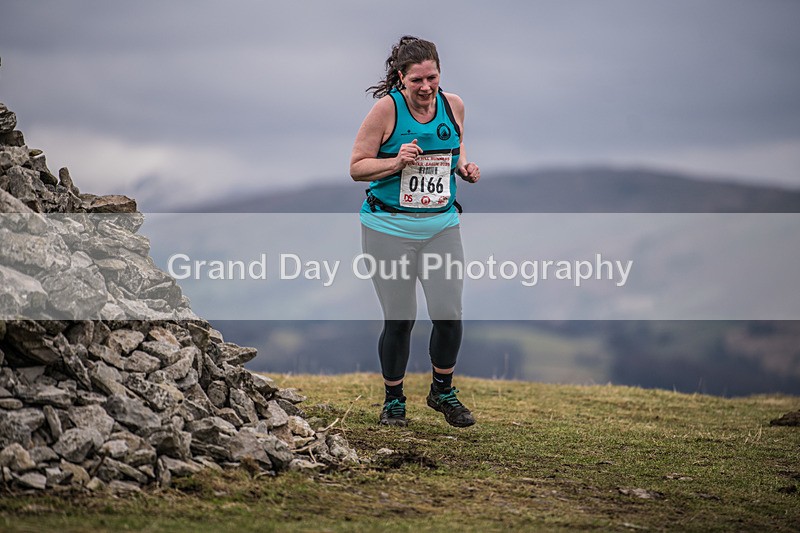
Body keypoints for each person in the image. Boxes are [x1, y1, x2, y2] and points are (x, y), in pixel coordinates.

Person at [350, 36, 480, 428]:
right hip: (387, 228)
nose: (426, 88)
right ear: (401, 79)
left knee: (449, 314)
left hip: (441, 225)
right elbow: (357, 167)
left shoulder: (453, 105)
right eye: (417, 80)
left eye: (432, 78)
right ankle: (393, 401)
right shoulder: (385, 111)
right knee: (400, 317)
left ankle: (443, 391)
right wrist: (394, 162)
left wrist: (464, 169)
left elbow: (453, 152)